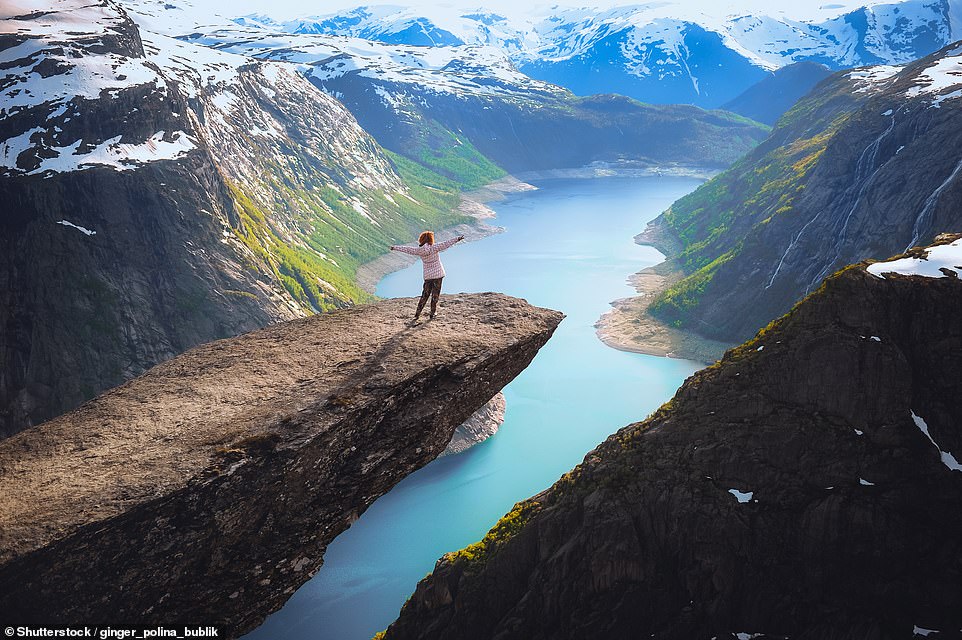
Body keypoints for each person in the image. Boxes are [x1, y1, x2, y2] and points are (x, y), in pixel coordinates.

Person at [390, 231, 465, 321]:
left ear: (421, 239)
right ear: (430, 239)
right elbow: (446, 243)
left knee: (425, 295)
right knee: (435, 295)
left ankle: (417, 314)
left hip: (428, 275)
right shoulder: (434, 247)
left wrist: (395, 248)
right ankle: (432, 313)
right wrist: (457, 239)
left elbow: (407, 249)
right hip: (438, 274)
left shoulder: (418, 250)